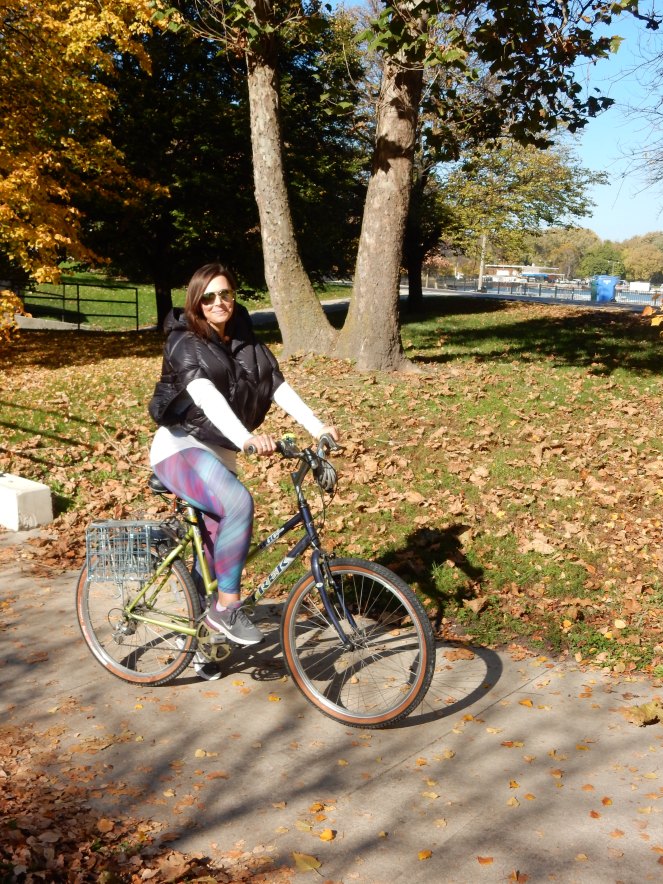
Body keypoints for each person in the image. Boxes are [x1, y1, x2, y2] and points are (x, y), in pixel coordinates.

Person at [148, 262, 338, 678]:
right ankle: (228, 609)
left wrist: (318, 425)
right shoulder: (183, 342)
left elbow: (277, 385)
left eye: (226, 294)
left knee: (216, 553)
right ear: (196, 301)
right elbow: (205, 396)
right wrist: (247, 438)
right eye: (210, 296)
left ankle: (201, 642)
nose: (219, 302)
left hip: (220, 456)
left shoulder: (246, 341)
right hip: (181, 448)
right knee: (238, 504)